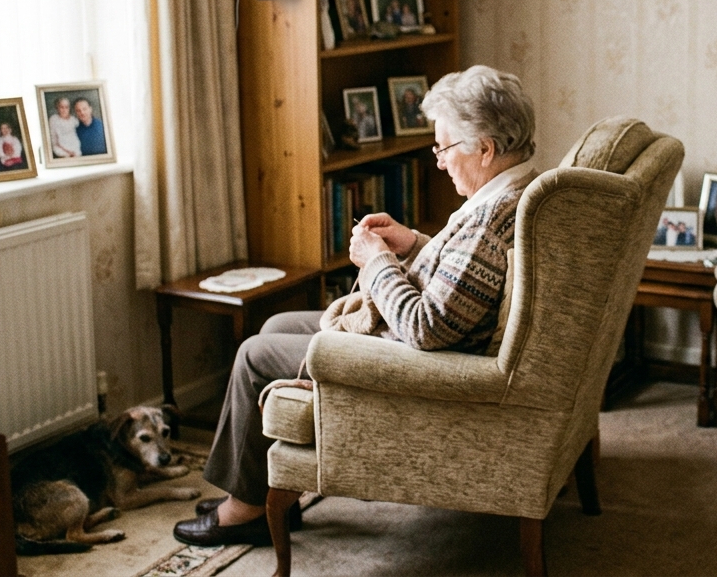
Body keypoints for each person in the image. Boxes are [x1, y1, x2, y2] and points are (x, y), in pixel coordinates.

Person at [173, 65, 537, 547]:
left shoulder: (490, 220)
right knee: (278, 322)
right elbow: (468, 282)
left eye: (445, 148)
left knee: (253, 355)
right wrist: (413, 245)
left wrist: (378, 261)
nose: (440, 162)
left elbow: (426, 327)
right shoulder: (514, 193)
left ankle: (244, 511)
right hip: (424, 342)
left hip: (417, 363)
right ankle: (258, 488)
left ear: (485, 148)